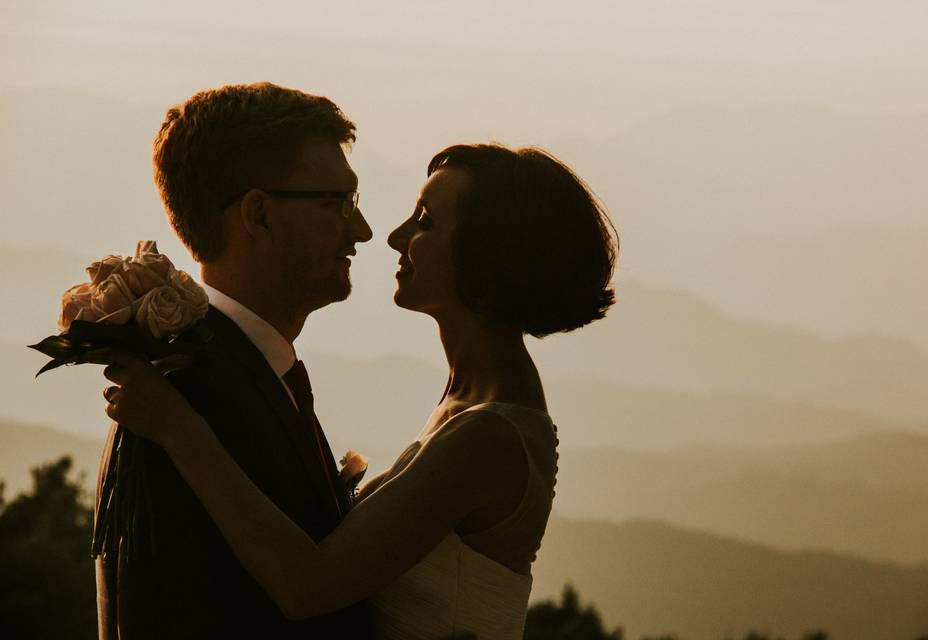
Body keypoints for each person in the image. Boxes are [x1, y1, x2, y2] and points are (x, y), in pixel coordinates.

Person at [102, 143, 618, 639]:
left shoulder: (489, 435)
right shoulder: (472, 403)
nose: (393, 237)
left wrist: (180, 429)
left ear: (487, 257)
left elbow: (309, 585)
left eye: (424, 222)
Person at [93, 82, 376, 639]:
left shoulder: (242, 372)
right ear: (258, 214)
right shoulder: (181, 394)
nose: (361, 230)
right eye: (336, 203)